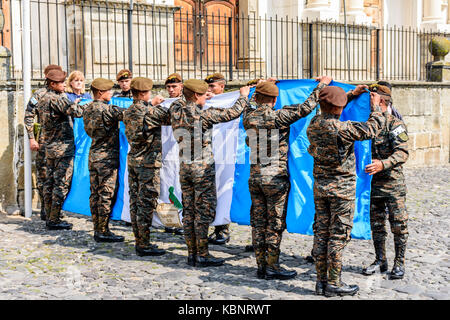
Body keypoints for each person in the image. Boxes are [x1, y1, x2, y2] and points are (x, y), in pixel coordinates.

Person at [145, 79, 249, 267]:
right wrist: (243, 96)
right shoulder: (205, 114)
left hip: (185, 168)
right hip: (202, 169)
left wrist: (200, 98)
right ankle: (202, 254)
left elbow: (178, 103)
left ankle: (192, 253)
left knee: (189, 211)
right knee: (202, 212)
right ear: (196, 96)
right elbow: (233, 112)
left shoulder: (176, 110)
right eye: (202, 94)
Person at [243, 77, 331, 280]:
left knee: (258, 223)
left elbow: (247, 105)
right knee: (273, 224)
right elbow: (306, 107)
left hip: (255, 178)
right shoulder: (278, 117)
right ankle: (272, 265)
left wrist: (259, 86)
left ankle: (261, 266)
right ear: (274, 101)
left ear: (256, 98)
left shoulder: (248, 117)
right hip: (275, 179)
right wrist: (322, 85)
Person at [307, 85, 387, 297]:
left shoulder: (313, 124)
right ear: (340, 108)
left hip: (320, 189)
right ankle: (333, 282)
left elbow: (329, 106)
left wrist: (349, 95)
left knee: (321, 234)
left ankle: (320, 282)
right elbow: (372, 129)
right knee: (338, 236)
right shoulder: (343, 128)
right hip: (341, 191)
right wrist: (376, 107)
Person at [362, 85, 409, 280]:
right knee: (377, 225)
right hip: (372, 184)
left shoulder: (395, 124)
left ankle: (399, 262)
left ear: (381, 101)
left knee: (398, 224)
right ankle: (380, 259)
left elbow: (403, 152)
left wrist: (383, 164)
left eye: (372, 96)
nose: (368, 100)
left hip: (392, 183)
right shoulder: (367, 122)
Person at [122, 77, 166, 256]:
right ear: (142, 93)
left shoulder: (129, 110)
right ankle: (144, 244)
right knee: (146, 203)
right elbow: (173, 116)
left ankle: (139, 240)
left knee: (135, 202)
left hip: (133, 160)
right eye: (149, 92)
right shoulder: (149, 112)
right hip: (148, 164)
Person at [38, 69, 86, 230]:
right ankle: (54, 219)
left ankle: (48, 214)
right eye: (61, 83)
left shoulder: (43, 97)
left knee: (49, 182)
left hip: (50, 146)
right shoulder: (58, 99)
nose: (64, 85)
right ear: (53, 84)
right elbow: (77, 112)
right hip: (62, 148)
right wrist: (90, 106)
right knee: (61, 183)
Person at [82, 78, 126, 243]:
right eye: (109, 91)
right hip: (107, 158)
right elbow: (129, 114)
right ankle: (103, 230)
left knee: (95, 194)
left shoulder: (87, 109)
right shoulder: (109, 110)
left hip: (94, 155)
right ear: (101, 92)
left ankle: (97, 228)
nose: (111, 94)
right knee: (106, 194)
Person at [24, 64, 63, 221]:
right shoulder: (38, 95)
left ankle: (54, 211)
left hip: (60, 144)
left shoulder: (63, 95)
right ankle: (46, 211)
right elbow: (28, 116)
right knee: (44, 177)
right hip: (45, 143)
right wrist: (32, 138)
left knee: (58, 179)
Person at [203, 72, 232, 245]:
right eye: (207, 86)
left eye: (212, 86)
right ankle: (209, 226)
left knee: (223, 190)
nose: (209, 89)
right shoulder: (204, 103)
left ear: (222, 87)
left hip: (225, 153)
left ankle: (223, 229)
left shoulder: (229, 101)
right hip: (207, 155)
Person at [162, 73, 185, 236]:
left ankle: (183, 220)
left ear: (181, 86)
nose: (171, 90)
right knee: (167, 189)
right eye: (168, 87)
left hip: (182, 152)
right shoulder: (163, 103)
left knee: (181, 188)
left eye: (174, 87)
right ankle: (170, 220)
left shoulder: (187, 103)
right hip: (166, 153)